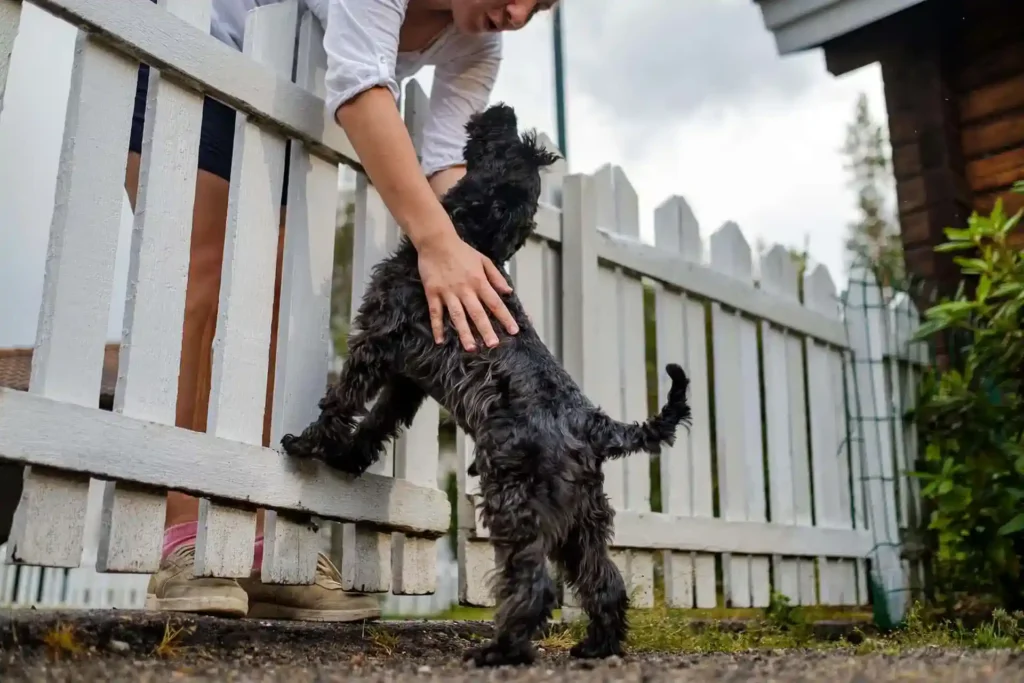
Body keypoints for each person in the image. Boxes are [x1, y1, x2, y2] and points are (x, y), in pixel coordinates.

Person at [127, 0, 557, 622]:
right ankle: (183, 538)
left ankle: (253, 543)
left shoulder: (478, 45)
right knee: (206, 286)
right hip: (203, 53)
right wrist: (436, 245)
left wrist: (474, 267)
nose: (518, 13)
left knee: (270, 313)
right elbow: (360, 89)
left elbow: (445, 163)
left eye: (540, 6)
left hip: (280, 97)